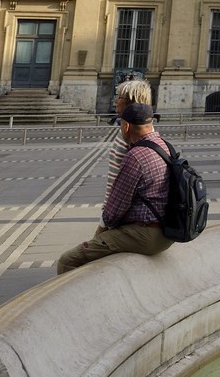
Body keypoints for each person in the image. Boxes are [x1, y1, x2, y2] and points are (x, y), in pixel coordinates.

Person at [56, 103, 171, 272]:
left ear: (126, 126)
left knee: (68, 260)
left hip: (145, 235)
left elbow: (115, 209)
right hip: (167, 232)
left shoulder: (135, 156)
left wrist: (99, 234)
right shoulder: (165, 146)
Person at [105, 78, 155, 205]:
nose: (115, 101)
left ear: (130, 103)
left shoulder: (132, 134)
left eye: (120, 97)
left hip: (124, 211)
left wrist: (106, 217)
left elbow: (123, 183)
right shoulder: (143, 130)